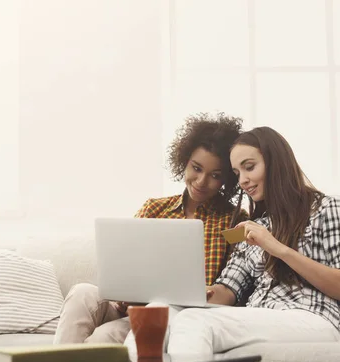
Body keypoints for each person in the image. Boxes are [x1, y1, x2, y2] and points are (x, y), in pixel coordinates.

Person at [153, 127, 340, 362]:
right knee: (159, 312)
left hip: (314, 319)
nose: (242, 180)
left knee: (194, 322)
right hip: (262, 317)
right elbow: (226, 290)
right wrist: (191, 292)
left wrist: (277, 248)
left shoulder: (329, 207)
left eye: (249, 167)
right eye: (237, 173)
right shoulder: (254, 227)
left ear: (275, 161)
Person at [52, 112, 246, 345]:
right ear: (184, 160)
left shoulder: (234, 220)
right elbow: (122, 264)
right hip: (127, 308)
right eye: (196, 168)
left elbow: (233, 285)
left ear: (227, 180)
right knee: (83, 292)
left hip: (175, 317)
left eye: (215, 175)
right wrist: (122, 295)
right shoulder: (154, 208)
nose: (202, 181)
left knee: (104, 336)